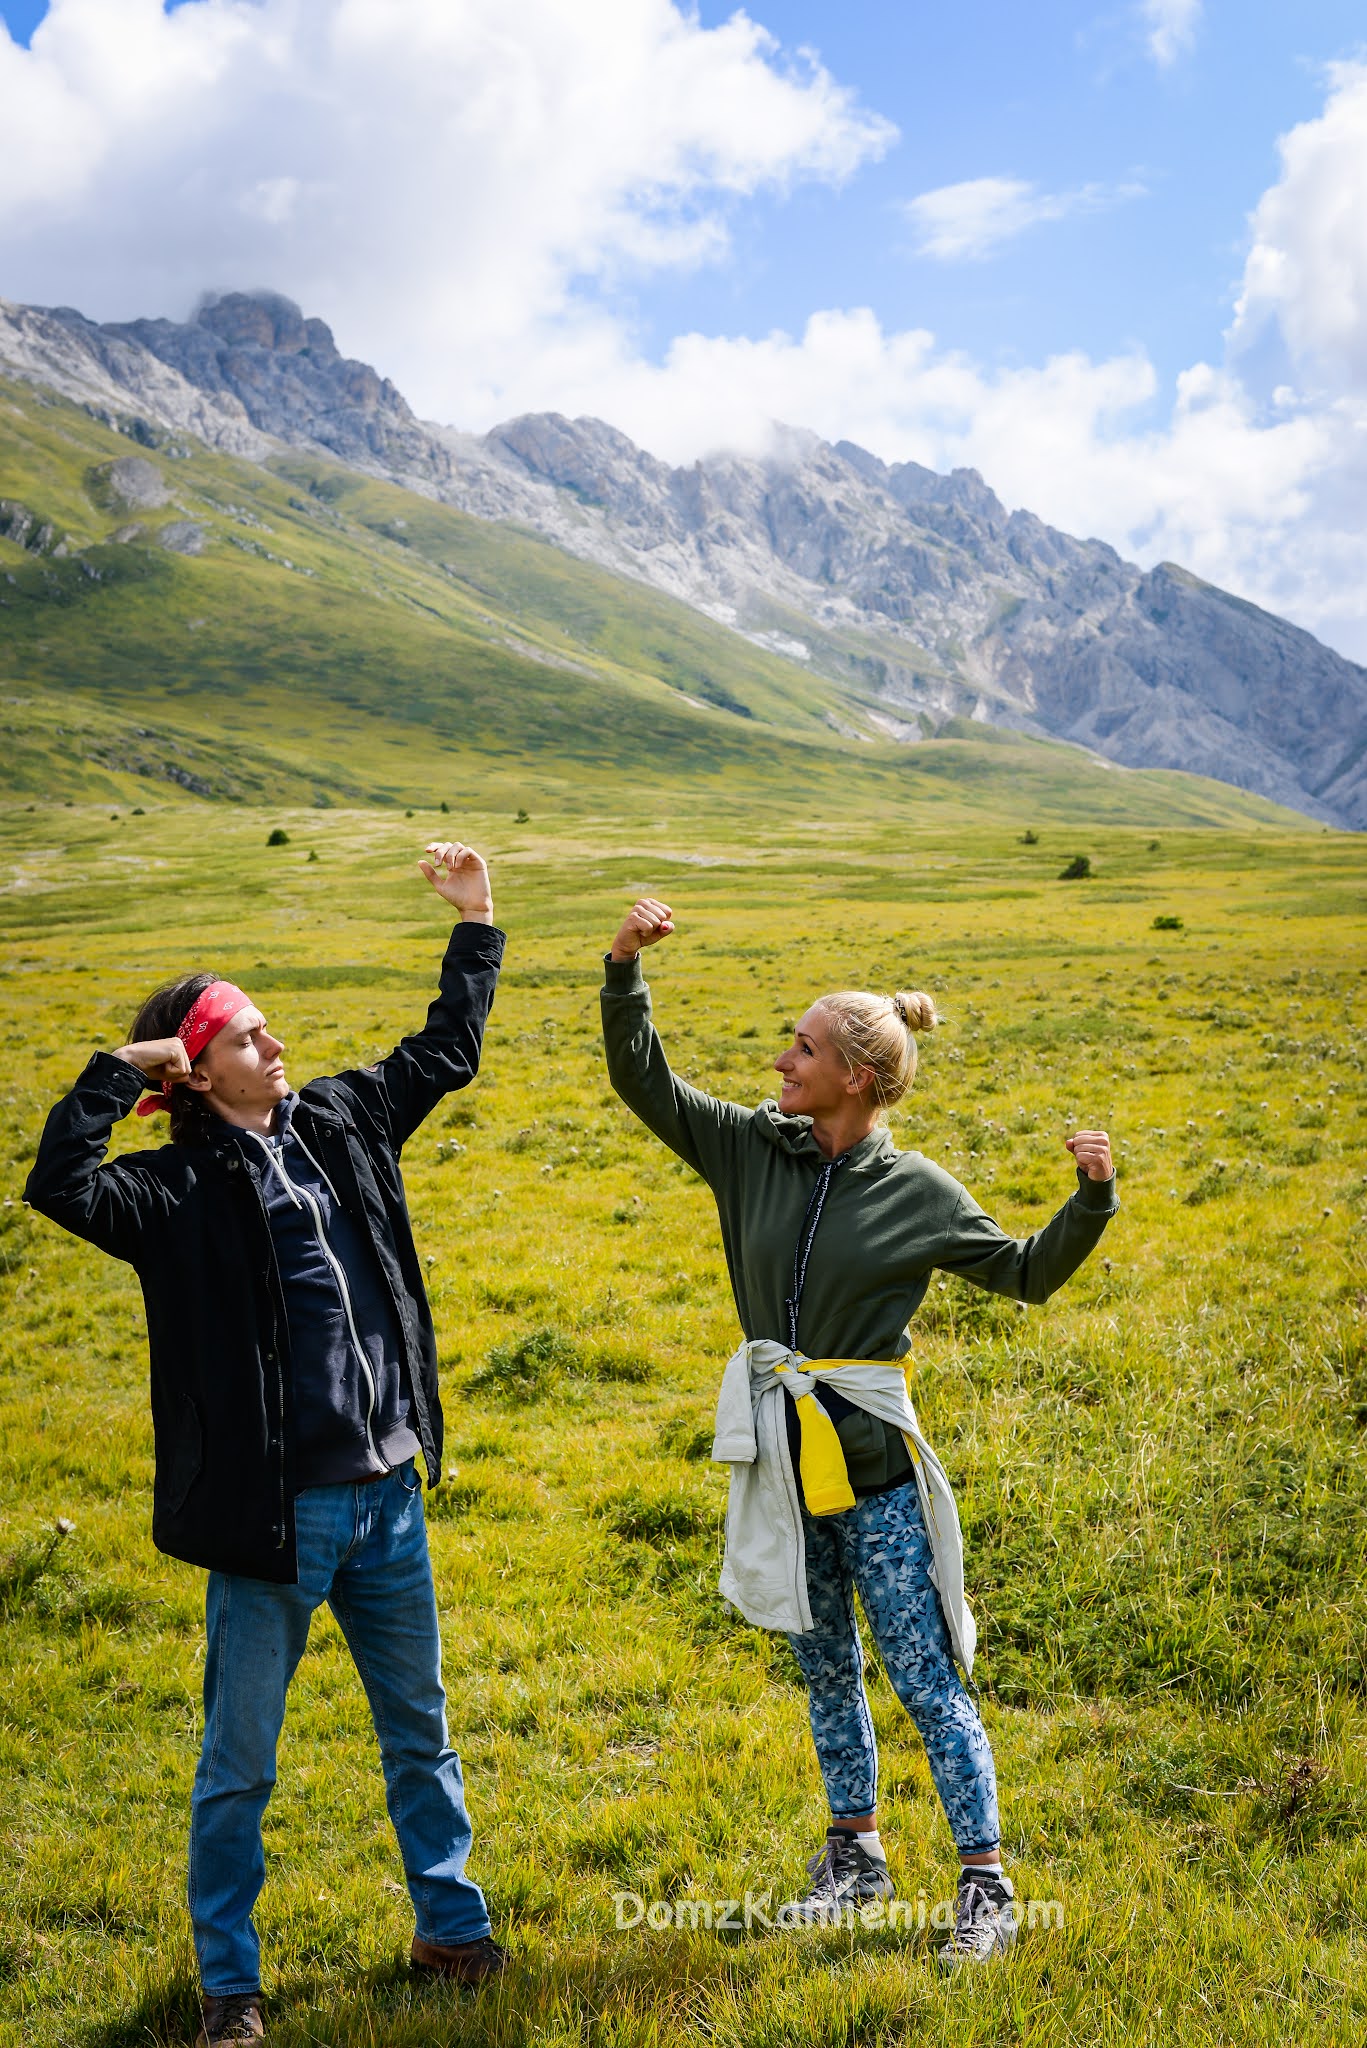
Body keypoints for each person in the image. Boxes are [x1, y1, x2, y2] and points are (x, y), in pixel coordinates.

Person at [25, 842, 507, 2047]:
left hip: (390, 1495)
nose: (274, 1047)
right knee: (239, 1763)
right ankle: (230, 1986)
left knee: (423, 1732)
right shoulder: (169, 1192)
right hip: (276, 1521)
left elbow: (443, 1051)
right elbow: (56, 1183)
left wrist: (476, 922)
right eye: (245, 1037)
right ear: (193, 1071)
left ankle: (450, 1928)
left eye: (268, 1030)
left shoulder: (340, 1118)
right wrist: (117, 1072)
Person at [600, 896, 1118, 1967]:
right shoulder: (751, 1147)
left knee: (924, 1672)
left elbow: (1022, 1272)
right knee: (821, 1660)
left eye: (801, 1044)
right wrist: (622, 971)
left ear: (856, 1077)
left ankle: (983, 1878)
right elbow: (644, 1082)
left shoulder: (916, 1189)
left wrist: (1090, 1200)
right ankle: (855, 1856)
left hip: (874, 1474)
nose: (779, 1057)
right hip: (782, 1464)